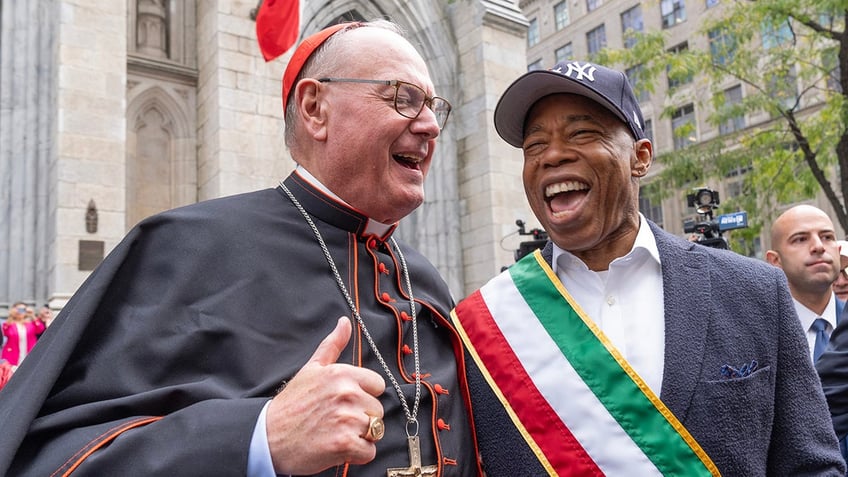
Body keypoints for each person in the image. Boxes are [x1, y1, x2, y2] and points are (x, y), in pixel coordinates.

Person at [0, 20, 482, 476]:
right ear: (316, 109)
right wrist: (259, 438)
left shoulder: (423, 279)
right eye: (402, 98)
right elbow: (47, 458)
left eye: (433, 107)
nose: (430, 127)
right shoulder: (185, 247)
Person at [451, 60, 845, 475]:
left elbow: (811, 465)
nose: (552, 156)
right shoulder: (481, 324)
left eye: (582, 133)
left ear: (641, 157)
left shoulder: (755, 290)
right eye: (534, 146)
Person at [765, 204, 844, 361]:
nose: (819, 247)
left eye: (827, 237)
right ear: (775, 260)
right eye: (800, 239)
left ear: (838, 250)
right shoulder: (760, 336)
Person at [1, 301, 46, 366]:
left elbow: (40, 329)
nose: (21, 312)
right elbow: (5, 331)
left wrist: (32, 315)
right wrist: (11, 315)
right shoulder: (10, 324)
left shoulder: (30, 324)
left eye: (23, 309)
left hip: (29, 354)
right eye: (19, 309)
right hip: (13, 355)